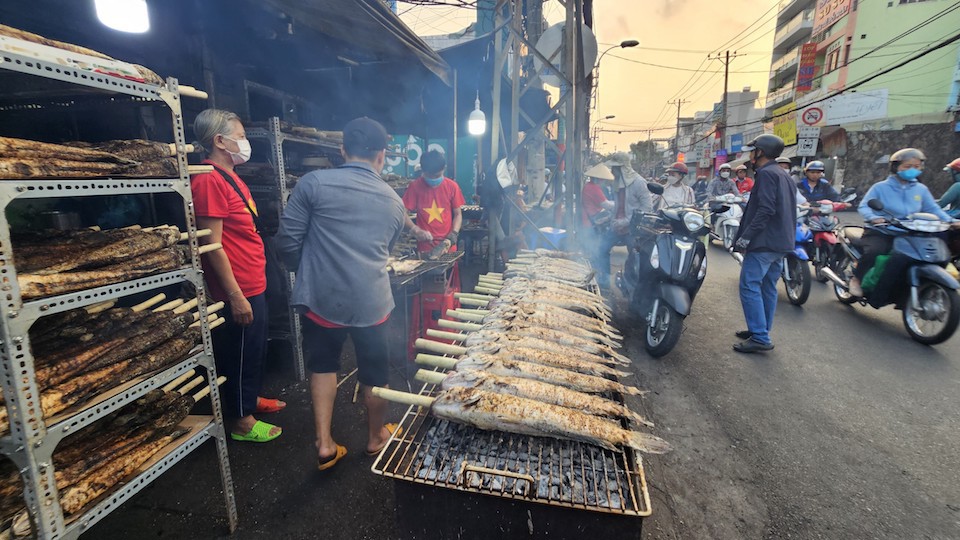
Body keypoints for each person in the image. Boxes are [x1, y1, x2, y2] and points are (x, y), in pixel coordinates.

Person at [276, 117, 406, 470]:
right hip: (372, 302)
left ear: (343, 149)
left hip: (322, 298)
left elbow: (286, 240)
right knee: (375, 373)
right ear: (382, 156)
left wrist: (309, 269)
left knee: (322, 366)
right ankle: (376, 437)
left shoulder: (312, 184)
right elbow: (386, 248)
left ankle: (324, 443)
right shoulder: (395, 202)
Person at [191, 109, 283, 443]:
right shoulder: (208, 179)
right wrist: (235, 295)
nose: (244, 143)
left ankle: (252, 398)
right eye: (239, 136)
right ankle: (243, 421)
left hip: (253, 278)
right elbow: (211, 245)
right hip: (238, 285)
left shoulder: (229, 174)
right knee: (241, 349)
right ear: (219, 140)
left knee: (255, 347)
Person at [848, 148, 956, 297]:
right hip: (881, 231)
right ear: (895, 167)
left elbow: (933, 209)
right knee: (875, 252)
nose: (912, 170)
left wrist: (951, 221)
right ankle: (857, 279)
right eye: (907, 166)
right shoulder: (880, 187)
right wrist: (874, 218)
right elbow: (864, 206)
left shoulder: (921, 189)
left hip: (909, 233)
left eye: (917, 167)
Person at [731, 134, 796, 353]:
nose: (750, 155)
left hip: (765, 242)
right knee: (767, 286)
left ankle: (760, 336)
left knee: (749, 285)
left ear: (761, 152)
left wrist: (746, 236)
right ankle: (761, 330)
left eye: (753, 150)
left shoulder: (767, 174)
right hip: (781, 242)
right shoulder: (783, 175)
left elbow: (765, 210)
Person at [402, 150, 465, 289]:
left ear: (444, 169)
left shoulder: (451, 186)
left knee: (449, 284)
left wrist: (453, 234)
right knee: (427, 286)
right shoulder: (415, 186)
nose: (434, 179)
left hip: (448, 246)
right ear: (422, 171)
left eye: (438, 175)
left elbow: (458, 214)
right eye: (430, 176)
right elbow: (402, 212)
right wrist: (415, 229)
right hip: (425, 247)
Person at [599, 152, 653, 289]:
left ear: (623, 168)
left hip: (632, 229)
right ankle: (605, 281)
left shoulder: (639, 183)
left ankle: (634, 287)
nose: (612, 171)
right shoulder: (616, 183)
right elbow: (618, 205)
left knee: (635, 258)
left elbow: (647, 207)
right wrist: (612, 218)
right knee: (602, 248)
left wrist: (626, 221)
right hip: (616, 227)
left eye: (615, 168)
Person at [580, 164, 616, 281]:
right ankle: (599, 280)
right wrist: (620, 204)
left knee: (593, 251)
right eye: (603, 179)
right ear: (599, 178)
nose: (604, 182)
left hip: (588, 221)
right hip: (590, 223)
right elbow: (606, 204)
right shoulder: (593, 187)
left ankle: (595, 277)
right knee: (596, 251)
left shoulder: (589, 186)